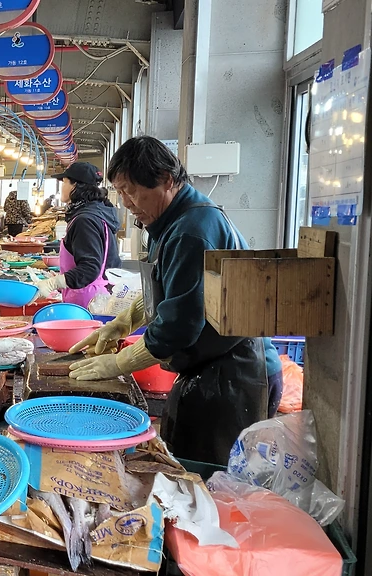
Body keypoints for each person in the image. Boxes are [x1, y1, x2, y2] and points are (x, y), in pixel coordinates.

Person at [67, 136, 274, 465]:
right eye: (120, 192)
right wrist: (121, 324)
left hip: (234, 373)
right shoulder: (171, 220)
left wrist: (118, 364)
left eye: (131, 191)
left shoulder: (192, 230)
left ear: (166, 179)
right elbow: (167, 286)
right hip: (208, 365)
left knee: (210, 478)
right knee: (182, 459)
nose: (126, 203)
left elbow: (179, 326)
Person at [32, 162, 121, 307]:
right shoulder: (96, 213)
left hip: (88, 301)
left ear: (76, 185)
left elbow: (90, 268)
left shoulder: (84, 220)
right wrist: (65, 277)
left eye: (64, 182)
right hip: (97, 296)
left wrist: (54, 283)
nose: (61, 187)